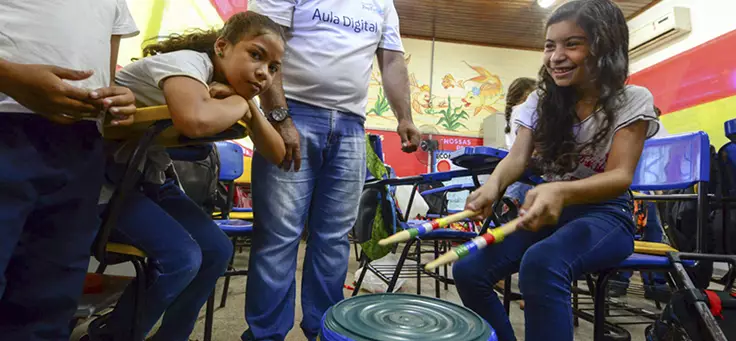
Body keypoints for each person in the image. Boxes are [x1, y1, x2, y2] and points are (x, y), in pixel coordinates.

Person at [452, 1, 660, 340]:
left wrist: (559, 190)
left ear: (604, 47)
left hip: (607, 215)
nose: (556, 56)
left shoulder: (632, 99)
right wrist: (492, 186)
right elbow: (516, 158)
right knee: (468, 268)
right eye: (550, 45)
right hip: (547, 213)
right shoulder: (539, 101)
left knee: (542, 263)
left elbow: (620, 176)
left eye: (572, 44)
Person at [85, 12, 286, 341]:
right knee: (182, 258)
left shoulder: (229, 88)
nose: (264, 72)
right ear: (222, 46)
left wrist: (248, 107)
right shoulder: (186, 63)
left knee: (217, 251)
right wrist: (240, 101)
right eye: (256, 55)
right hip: (103, 183)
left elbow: (277, 153)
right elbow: (194, 120)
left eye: (273, 67)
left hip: (146, 179)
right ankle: (110, 335)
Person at [244, 1, 422, 340]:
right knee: (278, 236)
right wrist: (279, 117)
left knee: (334, 238)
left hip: (351, 125)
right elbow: (263, 44)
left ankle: (325, 330)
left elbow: (392, 59)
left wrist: (405, 116)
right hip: (293, 111)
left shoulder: (382, 3)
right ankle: (265, 335)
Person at [0, 1, 138, 340]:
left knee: (50, 298)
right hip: (6, 121)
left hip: (81, 144)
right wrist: (8, 76)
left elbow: (105, 75)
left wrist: (118, 100)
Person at [608, 105, 670, 300]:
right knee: (638, 234)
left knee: (648, 233)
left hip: (644, 192)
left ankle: (649, 284)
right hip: (629, 191)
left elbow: (662, 158)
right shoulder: (624, 129)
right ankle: (631, 282)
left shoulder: (656, 129)